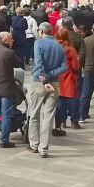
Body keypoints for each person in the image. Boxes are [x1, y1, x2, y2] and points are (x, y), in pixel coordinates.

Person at [28, 23, 66, 157]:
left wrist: (44, 78)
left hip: (39, 82)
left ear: (42, 31)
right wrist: (51, 74)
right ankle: (43, 148)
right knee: (48, 117)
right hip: (54, 83)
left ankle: (34, 143)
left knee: (34, 113)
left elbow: (39, 64)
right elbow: (64, 67)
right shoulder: (59, 46)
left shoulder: (38, 43)